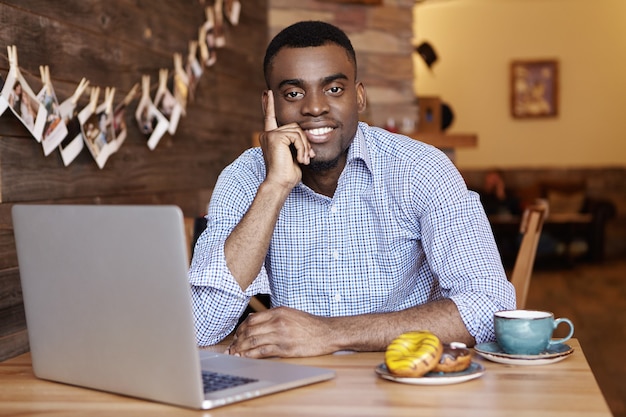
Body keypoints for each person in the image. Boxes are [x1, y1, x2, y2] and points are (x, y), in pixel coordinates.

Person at [189, 21, 515, 358]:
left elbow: (489, 306)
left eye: (333, 89)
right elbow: (201, 326)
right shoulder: (244, 177)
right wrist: (274, 188)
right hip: (298, 392)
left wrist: (332, 333)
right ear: (268, 105)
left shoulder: (420, 168)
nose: (315, 107)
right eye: (293, 93)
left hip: (406, 383)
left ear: (358, 97)